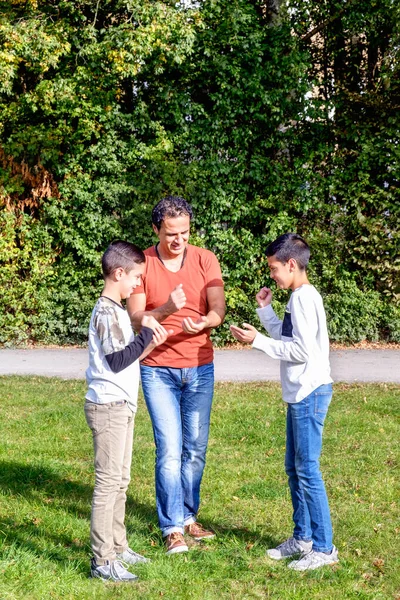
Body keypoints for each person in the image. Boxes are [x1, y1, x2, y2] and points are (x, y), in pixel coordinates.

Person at [230, 233, 338, 571]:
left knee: (307, 471)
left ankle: (324, 548)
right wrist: (265, 312)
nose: (272, 275)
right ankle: (303, 538)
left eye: (275, 268)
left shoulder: (305, 299)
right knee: (295, 469)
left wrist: (257, 342)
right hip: (300, 394)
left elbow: (301, 352)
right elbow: (288, 339)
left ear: (291, 265)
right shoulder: (297, 297)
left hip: (309, 393)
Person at [127, 196, 225, 555]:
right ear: (156, 229)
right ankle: (171, 527)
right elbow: (135, 315)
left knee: (195, 449)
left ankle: (187, 516)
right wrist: (168, 307)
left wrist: (205, 321)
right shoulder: (143, 262)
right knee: (169, 449)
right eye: (171, 233)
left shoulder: (205, 258)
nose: (178, 240)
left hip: (200, 366)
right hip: (157, 368)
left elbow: (218, 309)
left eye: (184, 232)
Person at [85, 240, 170, 582]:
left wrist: (149, 342)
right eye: (135, 277)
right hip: (107, 407)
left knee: (121, 481)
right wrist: (147, 333)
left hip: (121, 404)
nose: (138, 284)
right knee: (107, 485)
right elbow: (117, 360)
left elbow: (128, 353)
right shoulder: (105, 312)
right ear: (119, 273)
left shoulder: (118, 310)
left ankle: (119, 548)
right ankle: (102, 561)